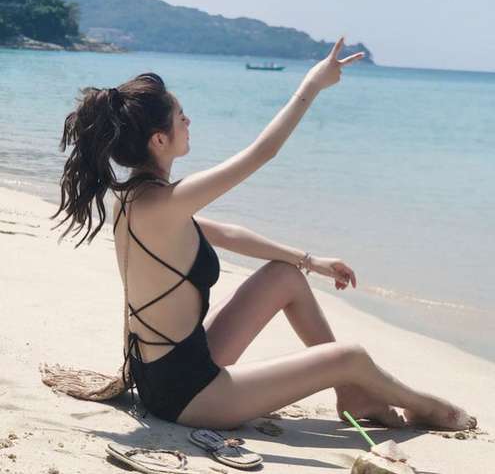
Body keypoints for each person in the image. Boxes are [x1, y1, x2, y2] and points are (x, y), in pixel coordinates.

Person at [51, 36, 477, 431]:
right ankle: (424, 406)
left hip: (164, 374)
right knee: (351, 356)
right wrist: (313, 84)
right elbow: (263, 152)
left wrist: (309, 261)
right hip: (190, 397)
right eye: (181, 117)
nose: (189, 120)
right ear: (159, 140)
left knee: (285, 275)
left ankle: (353, 395)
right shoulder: (169, 202)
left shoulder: (134, 200)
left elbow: (227, 233)